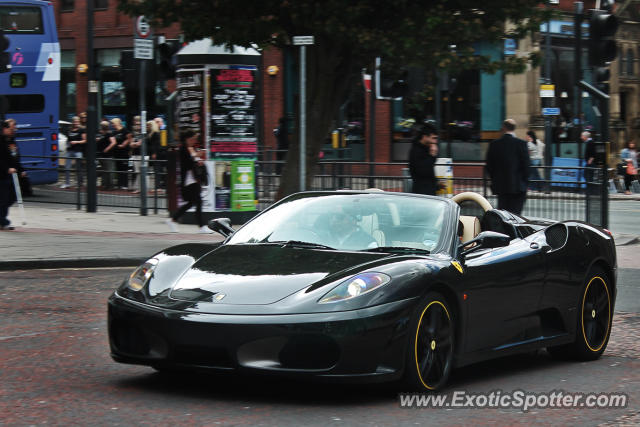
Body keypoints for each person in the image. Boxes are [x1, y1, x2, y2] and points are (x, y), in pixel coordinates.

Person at [165, 130, 211, 234]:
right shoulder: (182, 149)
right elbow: (186, 164)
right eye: (193, 138)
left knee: (192, 202)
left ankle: (173, 220)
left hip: (193, 179)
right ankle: (201, 226)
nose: (195, 140)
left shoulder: (191, 148)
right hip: (188, 180)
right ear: (187, 138)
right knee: (197, 201)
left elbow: (193, 163)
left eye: (195, 139)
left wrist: (199, 161)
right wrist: (196, 157)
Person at [485, 119, 530, 215]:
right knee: (516, 216)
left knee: (503, 216)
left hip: (501, 187)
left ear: (503, 128)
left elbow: (489, 166)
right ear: (514, 128)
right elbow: (527, 166)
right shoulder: (521, 143)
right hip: (518, 187)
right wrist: (524, 182)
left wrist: (495, 180)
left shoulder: (494, 144)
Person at [408, 123, 440, 195]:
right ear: (425, 137)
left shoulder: (427, 148)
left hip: (429, 190)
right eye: (433, 138)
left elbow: (430, 171)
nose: (435, 141)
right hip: (422, 193)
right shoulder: (416, 151)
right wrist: (432, 155)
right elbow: (424, 171)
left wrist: (436, 184)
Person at [1, 119, 19, 230]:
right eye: (11, 128)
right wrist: (7, 169)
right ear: (5, 128)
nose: (13, 130)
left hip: (10, 174)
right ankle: (4, 221)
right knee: (4, 198)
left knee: (11, 197)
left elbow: (15, 157)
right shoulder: (1, 141)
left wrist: (20, 170)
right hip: (2, 174)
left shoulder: (11, 141)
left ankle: (2, 220)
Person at [61, 116, 86, 189]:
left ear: (79, 122)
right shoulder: (70, 130)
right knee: (67, 167)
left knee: (78, 168)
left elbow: (85, 140)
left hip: (78, 150)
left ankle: (79, 183)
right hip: (70, 150)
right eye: (75, 121)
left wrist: (76, 142)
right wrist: (67, 144)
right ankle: (67, 183)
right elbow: (68, 139)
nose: (76, 123)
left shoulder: (81, 130)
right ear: (73, 122)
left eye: (77, 121)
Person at [110, 118, 130, 189]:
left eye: (113, 123)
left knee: (124, 168)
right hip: (116, 153)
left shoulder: (125, 130)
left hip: (124, 153)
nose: (112, 125)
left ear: (117, 123)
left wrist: (123, 145)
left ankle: (125, 184)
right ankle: (119, 184)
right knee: (118, 169)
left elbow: (129, 138)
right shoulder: (114, 132)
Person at [96, 121, 116, 190]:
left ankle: (110, 186)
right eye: (102, 125)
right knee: (104, 171)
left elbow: (113, 142)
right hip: (101, 155)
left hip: (108, 155)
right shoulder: (100, 133)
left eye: (104, 125)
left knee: (109, 171)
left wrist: (107, 149)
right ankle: (104, 185)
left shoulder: (109, 134)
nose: (103, 126)